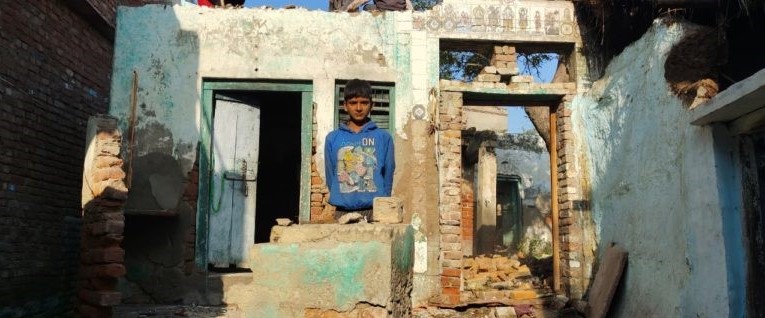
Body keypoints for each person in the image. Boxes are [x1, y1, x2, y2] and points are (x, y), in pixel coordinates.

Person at [324, 79, 395, 222]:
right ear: (345, 106)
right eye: (353, 103)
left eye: (364, 102)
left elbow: (388, 173)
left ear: (371, 105)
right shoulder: (333, 138)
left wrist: (383, 201)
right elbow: (331, 174)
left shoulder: (383, 137)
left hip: (375, 211)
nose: (358, 108)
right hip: (342, 212)